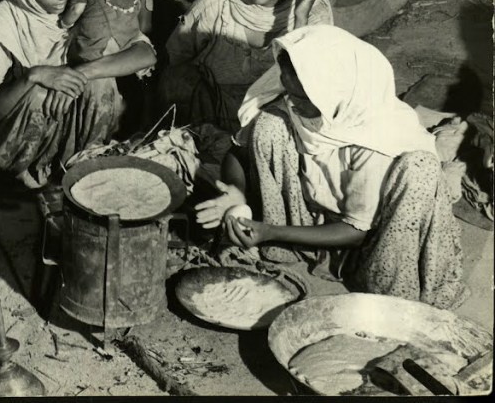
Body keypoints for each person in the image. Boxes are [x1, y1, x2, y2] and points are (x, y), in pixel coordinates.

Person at [196, 25, 464, 309]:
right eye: (287, 90)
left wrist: (271, 231)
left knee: (419, 169)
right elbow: (237, 153)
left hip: (372, 242)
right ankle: (290, 247)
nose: (291, 102)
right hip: (313, 219)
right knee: (270, 123)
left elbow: (356, 230)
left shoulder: (378, 140)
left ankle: (379, 284)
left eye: (300, 98)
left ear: (334, 97)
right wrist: (236, 193)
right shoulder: (299, 104)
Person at [0, 0, 157, 189]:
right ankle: (19, 181)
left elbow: (144, 53)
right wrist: (35, 75)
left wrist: (81, 74)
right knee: (38, 93)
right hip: (21, 140)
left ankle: (81, 168)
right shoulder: (4, 21)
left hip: (71, 130)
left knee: (100, 82)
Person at [160, 0, 332, 134]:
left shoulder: (313, 9)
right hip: (216, 114)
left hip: (279, 121)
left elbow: (310, 82)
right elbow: (176, 56)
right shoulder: (219, 0)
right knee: (175, 80)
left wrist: (300, 18)